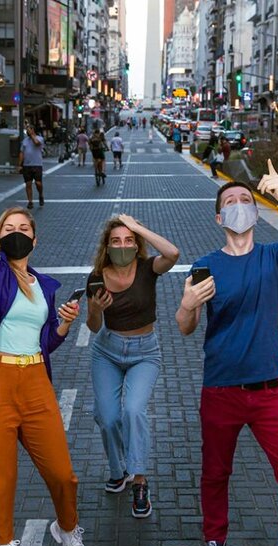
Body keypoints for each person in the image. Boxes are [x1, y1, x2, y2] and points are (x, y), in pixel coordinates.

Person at [175, 159, 278, 546]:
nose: (238, 205)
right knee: (215, 472)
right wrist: (187, 304)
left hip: (270, 391)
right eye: (229, 202)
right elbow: (185, 328)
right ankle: (215, 544)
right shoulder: (205, 266)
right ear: (219, 218)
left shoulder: (271, 257)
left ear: (254, 212)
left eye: (244, 200)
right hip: (220, 390)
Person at [0, 160, 89, 546]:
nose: (17, 234)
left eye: (24, 230)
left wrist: (65, 324)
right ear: (0, 239)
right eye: (9, 230)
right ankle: (5, 542)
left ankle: (66, 528)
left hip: (35, 383)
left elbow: (46, 341)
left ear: (36, 238)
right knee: (0, 480)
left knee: (63, 474)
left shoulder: (46, 286)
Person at [85, 215, 180, 518]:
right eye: (116, 240)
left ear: (136, 243)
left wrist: (139, 227)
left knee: (133, 410)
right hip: (107, 351)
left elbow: (173, 254)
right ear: (107, 246)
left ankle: (139, 479)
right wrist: (95, 309)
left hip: (144, 352)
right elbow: (92, 325)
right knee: (108, 416)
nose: (123, 245)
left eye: (128, 240)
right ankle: (118, 471)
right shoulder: (97, 276)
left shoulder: (148, 269)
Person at [17, 124, 45, 209]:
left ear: (33, 130)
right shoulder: (25, 141)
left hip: (37, 164)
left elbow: (37, 143)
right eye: (27, 130)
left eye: (29, 130)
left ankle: (40, 194)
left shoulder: (40, 138)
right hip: (27, 165)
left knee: (38, 183)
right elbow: (22, 153)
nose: (27, 131)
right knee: (28, 184)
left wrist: (32, 135)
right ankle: (30, 201)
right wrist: (20, 164)